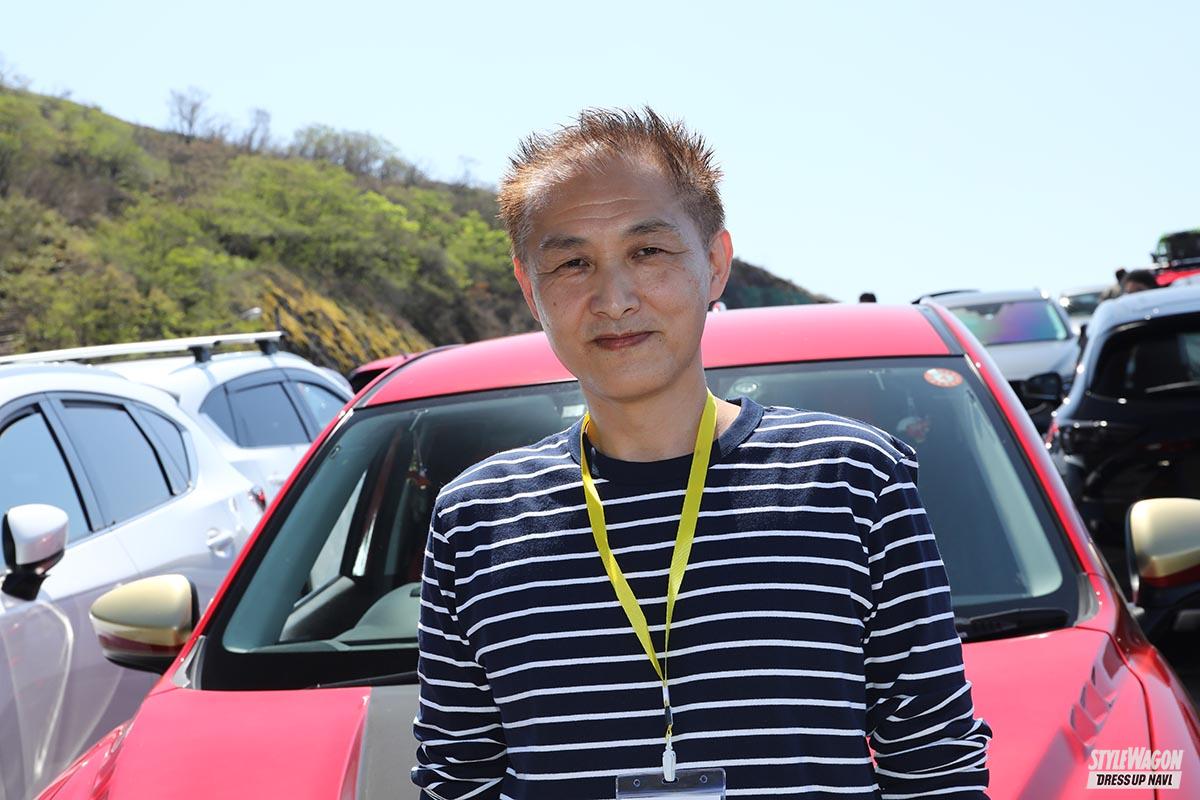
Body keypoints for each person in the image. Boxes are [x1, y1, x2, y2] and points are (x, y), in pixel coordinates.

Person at [412, 108, 991, 799]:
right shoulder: (475, 519)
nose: (614, 299)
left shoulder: (854, 482)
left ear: (715, 264)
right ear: (529, 288)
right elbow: (458, 780)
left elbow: (934, 763)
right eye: (572, 263)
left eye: (648, 252)